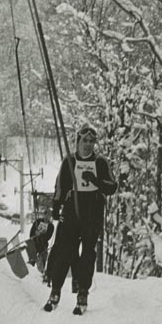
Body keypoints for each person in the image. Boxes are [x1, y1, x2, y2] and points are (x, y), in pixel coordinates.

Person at [43, 125, 117, 314]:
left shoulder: (100, 162)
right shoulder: (69, 160)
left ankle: (83, 292)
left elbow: (111, 187)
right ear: (78, 141)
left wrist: (95, 181)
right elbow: (60, 185)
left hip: (92, 213)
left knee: (87, 254)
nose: (88, 145)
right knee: (65, 251)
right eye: (84, 141)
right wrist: (56, 206)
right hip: (72, 210)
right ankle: (55, 290)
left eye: (92, 141)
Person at [28, 209, 54, 275]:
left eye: (50, 216)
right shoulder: (38, 221)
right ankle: (32, 261)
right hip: (34, 241)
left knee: (44, 255)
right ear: (44, 215)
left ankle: (42, 270)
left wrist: (41, 235)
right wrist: (35, 233)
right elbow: (31, 232)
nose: (48, 217)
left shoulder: (51, 226)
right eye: (47, 215)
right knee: (31, 246)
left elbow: (48, 236)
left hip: (43, 243)